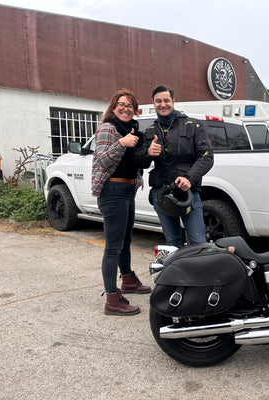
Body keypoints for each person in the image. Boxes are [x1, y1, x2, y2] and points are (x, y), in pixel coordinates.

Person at [91, 88, 155, 316]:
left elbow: (137, 161)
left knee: (125, 239)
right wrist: (122, 143)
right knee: (113, 246)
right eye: (122, 104)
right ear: (114, 106)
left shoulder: (133, 129)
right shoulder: (108, 128)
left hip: (128, 188)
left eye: (130, 105)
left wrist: (149, 152)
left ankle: (127, 279)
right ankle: (112, 299)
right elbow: (101, 159)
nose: (126, 108)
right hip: (112, 189)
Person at [139, 85, 214, 248]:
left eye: (166, 100)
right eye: (158, 101)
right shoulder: (150, 130)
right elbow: (141, 162)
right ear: (153, 103)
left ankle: (198, 273)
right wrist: (148, 153)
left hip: (187, 193)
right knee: (172, 244)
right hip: (162, 194)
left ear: (173, 101)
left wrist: (189, 178)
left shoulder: (193, 125)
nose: (163, 104)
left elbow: (207, 157)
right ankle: (178, 273)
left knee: (198, 243)